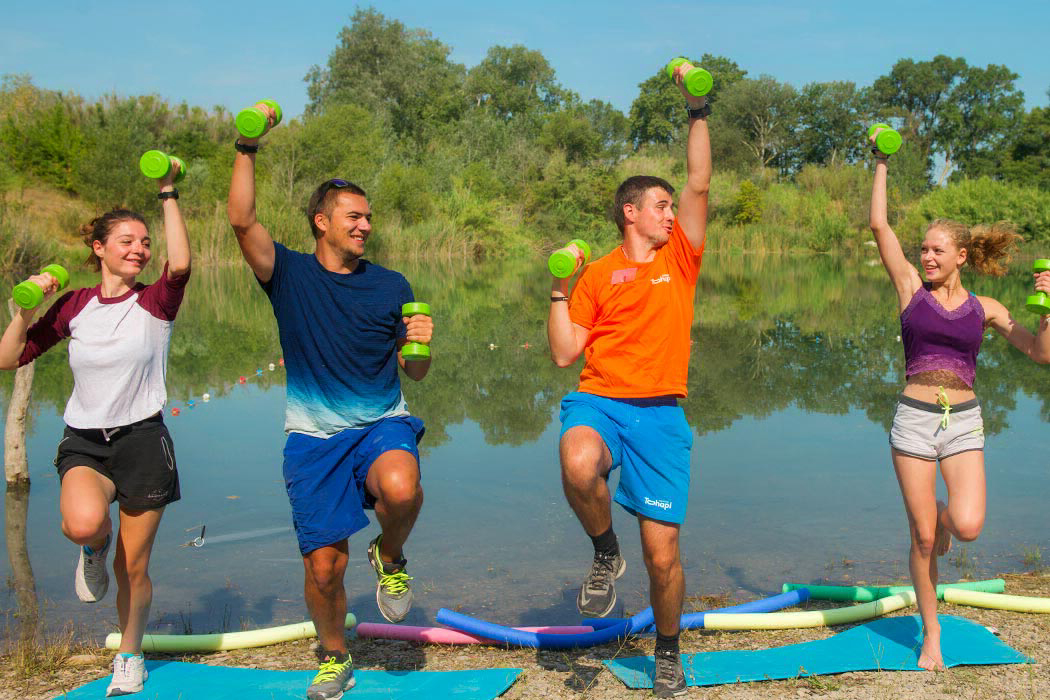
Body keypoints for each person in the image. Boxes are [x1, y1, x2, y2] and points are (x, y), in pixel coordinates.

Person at [226, 105, 433, 700]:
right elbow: (242, 220)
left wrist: (418, 348)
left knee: (401, 487)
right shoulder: (286, 273)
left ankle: (390, 554)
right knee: (324, 568)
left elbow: (413, 374)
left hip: (380, 423)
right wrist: (247, 146)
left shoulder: (392, 285)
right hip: (313, 438)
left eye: (368, 217)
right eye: (353, 216)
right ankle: (334, 655)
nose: (365, 225)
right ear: (322, 221)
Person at [546, 61, 711, 698]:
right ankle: (603, 551)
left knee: (664, 557)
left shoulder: (681, 256)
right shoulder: (596, 275)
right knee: (577, 456)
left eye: (671, 206)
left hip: (662, 416)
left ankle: (666, 648)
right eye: (660, 206)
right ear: (630, 211)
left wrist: (697, 109)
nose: (670, 213)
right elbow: (564, 354)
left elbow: (698, 181)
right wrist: (559, 289)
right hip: (601, 399)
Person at [0, 171, 191, 696]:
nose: (139, 250)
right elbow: (8, 357)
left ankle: (129, 655)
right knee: (84, 525)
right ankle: (91, 549)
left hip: (143, 441)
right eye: (127, 241)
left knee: (135, 564)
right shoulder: (74, 305)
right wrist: (23, 312)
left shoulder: (155, 303)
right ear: (99, 248)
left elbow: (182, 263)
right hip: (85, 439)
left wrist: (168, 193)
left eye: (145, 242)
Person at [868, 127, 1050, 669]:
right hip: (914, 423)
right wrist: (880, 161)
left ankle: (944, 515)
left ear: (961, 256)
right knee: (923, 539)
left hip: (964, 420)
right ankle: (932, 634)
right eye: (922, 248)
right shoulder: (908, 290)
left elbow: (1039, 354)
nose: (925, 256)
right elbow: (879, 225)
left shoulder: (986, 308)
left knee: (964, 527)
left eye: (936, 250)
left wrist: (1046, 307)